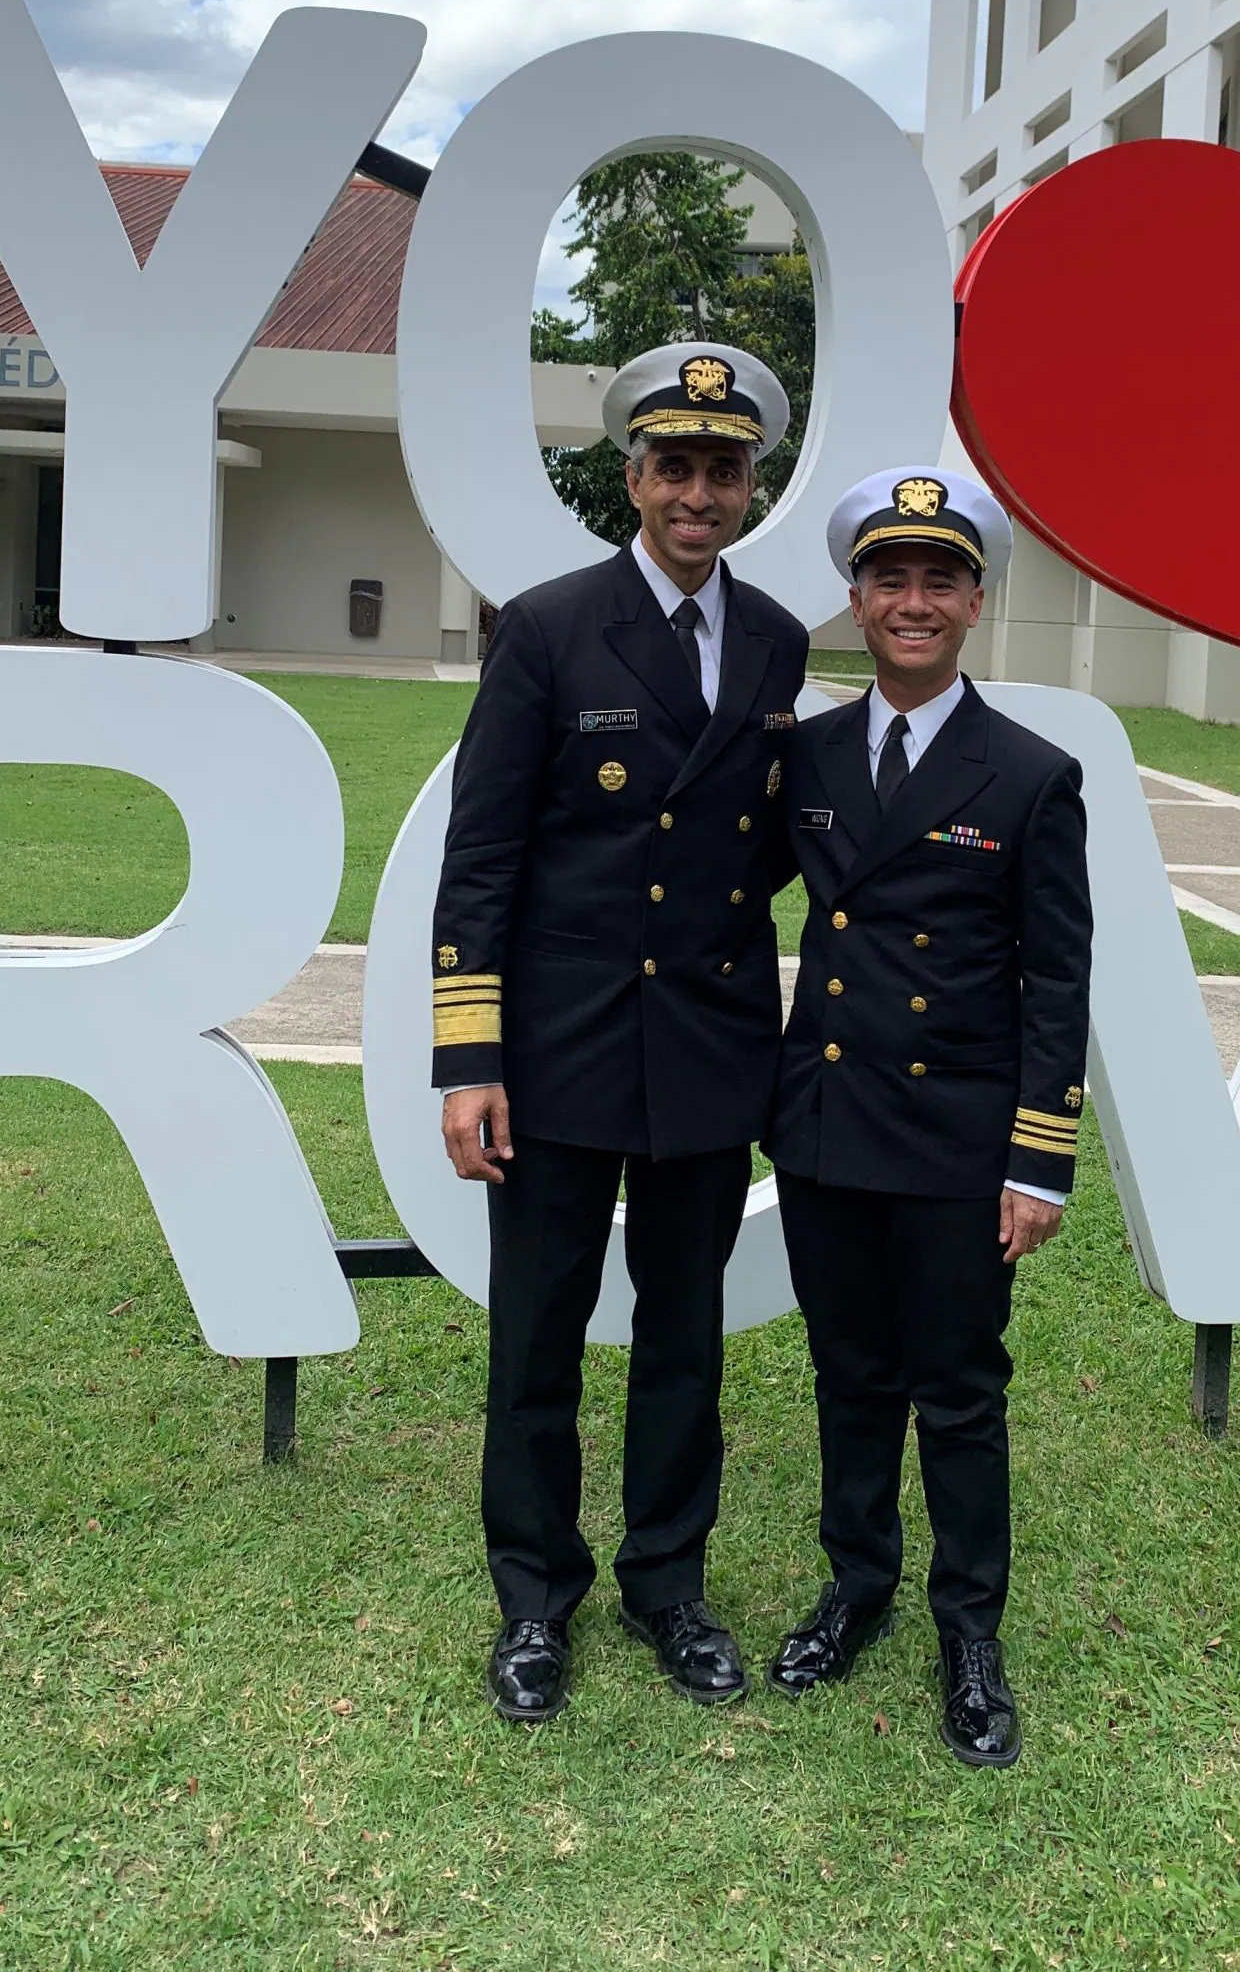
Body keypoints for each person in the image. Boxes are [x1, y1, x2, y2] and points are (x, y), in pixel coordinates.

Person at [431, 344, 809, 1724]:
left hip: (708, 1043)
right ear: (632, 477)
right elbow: (479, 860)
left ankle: (670, 1585)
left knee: (686, 1334)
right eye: (676, 468)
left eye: (725, 470)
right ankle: (535, 1604)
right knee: (534, 1335)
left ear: (748, 484)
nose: (699, 494)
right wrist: (471, 1057)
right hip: (558, 1048)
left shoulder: (774, 637)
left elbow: (758, 838)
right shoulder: (544, 627)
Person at [762, 466, 1092, 1768]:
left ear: (973, 600)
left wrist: (1040, 1158)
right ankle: (857, 1586)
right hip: (830, 1122)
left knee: (956, 1392)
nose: (912, 601)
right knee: (850, 1378)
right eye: (889, 578)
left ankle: (970, 1632)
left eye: (937, 579)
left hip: (959, 1142)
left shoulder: (1028, 774)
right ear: (855, 598)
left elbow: (1056, 976)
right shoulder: (811, 758)